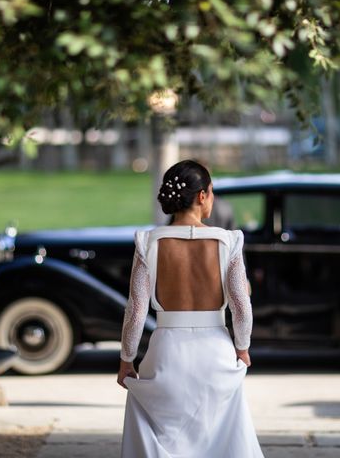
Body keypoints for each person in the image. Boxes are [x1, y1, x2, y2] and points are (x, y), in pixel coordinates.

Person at [117, 160, 264, 457]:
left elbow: (135, 311)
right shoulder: (228, 242)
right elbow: (241, 306)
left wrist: (127, 359)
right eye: (211, 192)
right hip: (217, 355)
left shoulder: (148, 243)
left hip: (167, 355)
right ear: (202, 196)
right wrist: (242, 347)